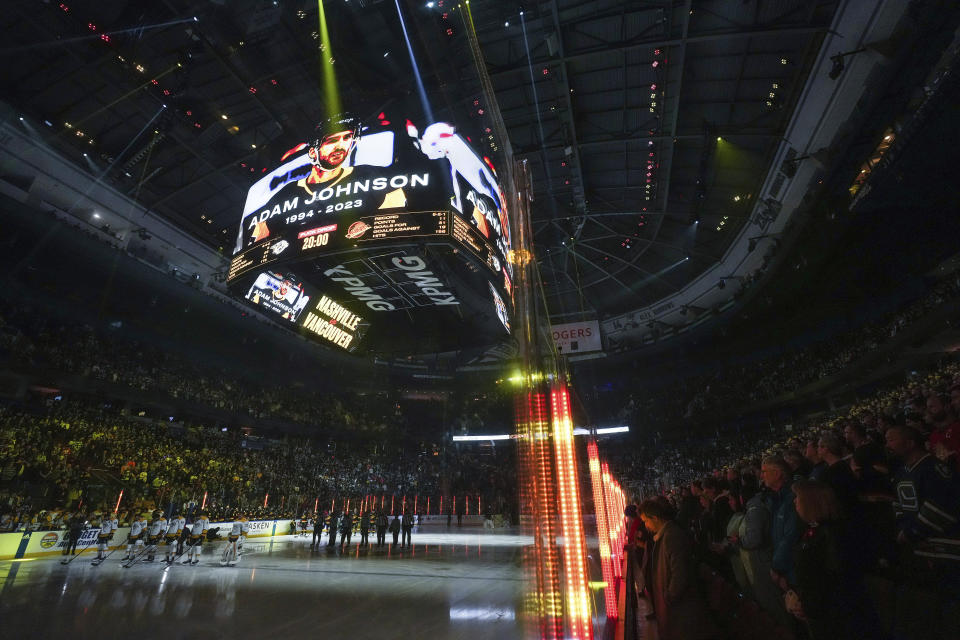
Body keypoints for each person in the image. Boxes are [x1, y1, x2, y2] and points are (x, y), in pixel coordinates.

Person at [786, 480, 878, 640]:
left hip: (836, 619)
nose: (794, 501)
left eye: (798, 497)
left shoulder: (832, 535)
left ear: (812, 501)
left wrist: (807, 605)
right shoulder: (813, 531)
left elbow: (833, 581)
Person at [638, 499, 719, 640]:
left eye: (646, 521)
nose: (646, 526)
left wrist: (669, 597)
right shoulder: (667, 534)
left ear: (655, 518)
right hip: (675, 608)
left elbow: (680, 573)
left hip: (681, 609)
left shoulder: (672, 536)